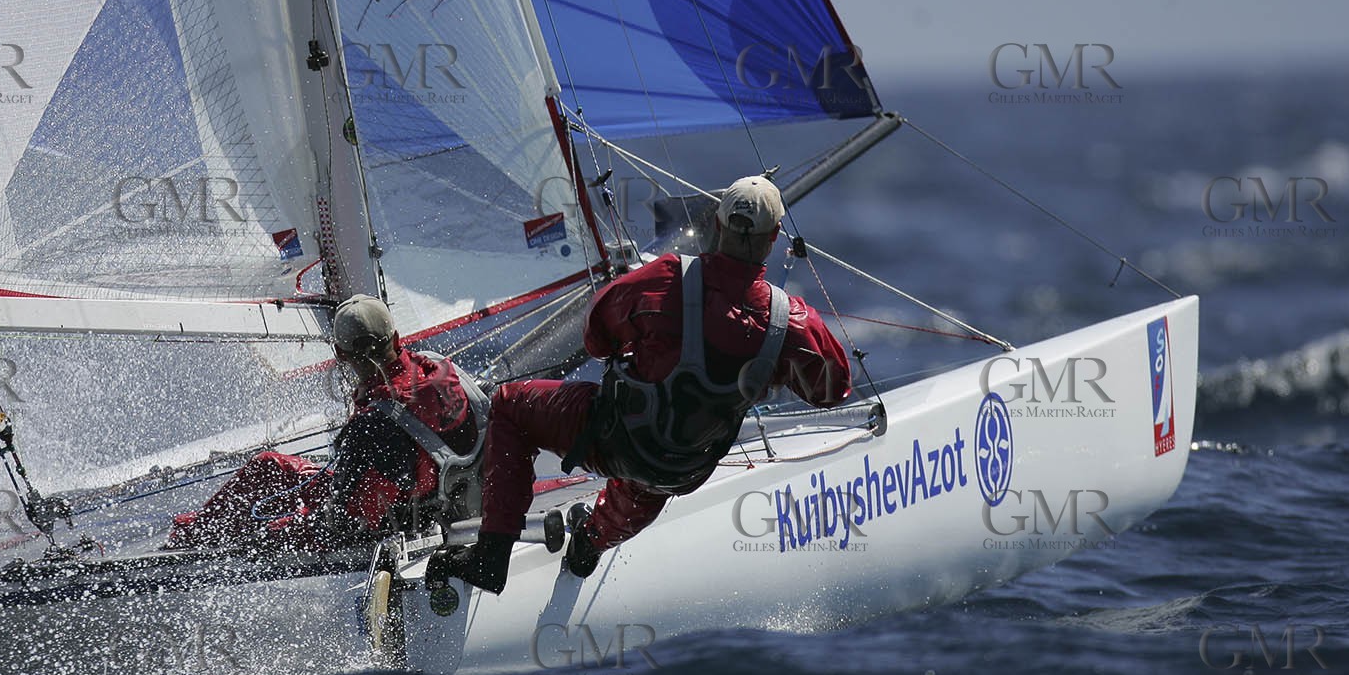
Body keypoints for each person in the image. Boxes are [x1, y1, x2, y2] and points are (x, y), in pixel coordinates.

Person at [431, 175, 852, 595]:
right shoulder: (791, 322)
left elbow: (596, 337)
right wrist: (767, 365)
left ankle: (492, 555)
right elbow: (832, 390)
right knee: (650, 479)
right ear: (774, 237)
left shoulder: (668, 276)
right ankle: (588, 546)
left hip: (614, 438)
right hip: (686, 466)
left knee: (510, 405)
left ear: (718, 224)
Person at [167, 295, 486, 552]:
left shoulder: (372, 426)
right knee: (269, 466)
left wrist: (267, 536)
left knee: (269, 516)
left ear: (340, 353)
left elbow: (345, 520)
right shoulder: (438, 369)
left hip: (394, 519)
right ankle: (197, 531)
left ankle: (192, 540)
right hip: (442, 497)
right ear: (396, 337)